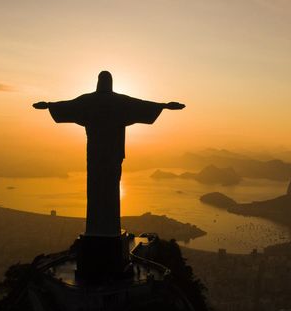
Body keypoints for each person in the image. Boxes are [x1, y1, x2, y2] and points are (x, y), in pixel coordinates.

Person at [32, 70, 184, 237]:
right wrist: (164, 106)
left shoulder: (88, 101)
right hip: (112, 154)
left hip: (95, 154)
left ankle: (95, 229)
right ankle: (110, 229)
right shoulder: (119, 102)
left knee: (95, 189)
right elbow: (141, 105)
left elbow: (68, 105)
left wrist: (48, 105)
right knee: (111, 190)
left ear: (98, 81)